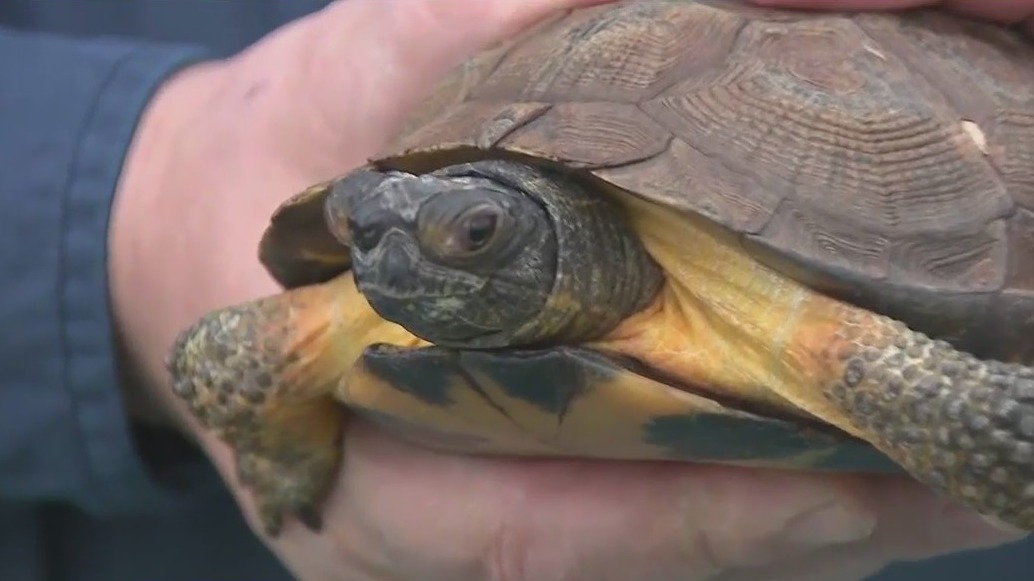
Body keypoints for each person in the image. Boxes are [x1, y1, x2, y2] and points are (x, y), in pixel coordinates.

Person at [1, 0, 1031, 579]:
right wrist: (122, 222)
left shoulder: (793, 323)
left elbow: (976, 407)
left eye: (473, 235)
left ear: (554, 236)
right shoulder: (359, 300)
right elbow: (221, 359)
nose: (391, 252)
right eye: (369, 224)